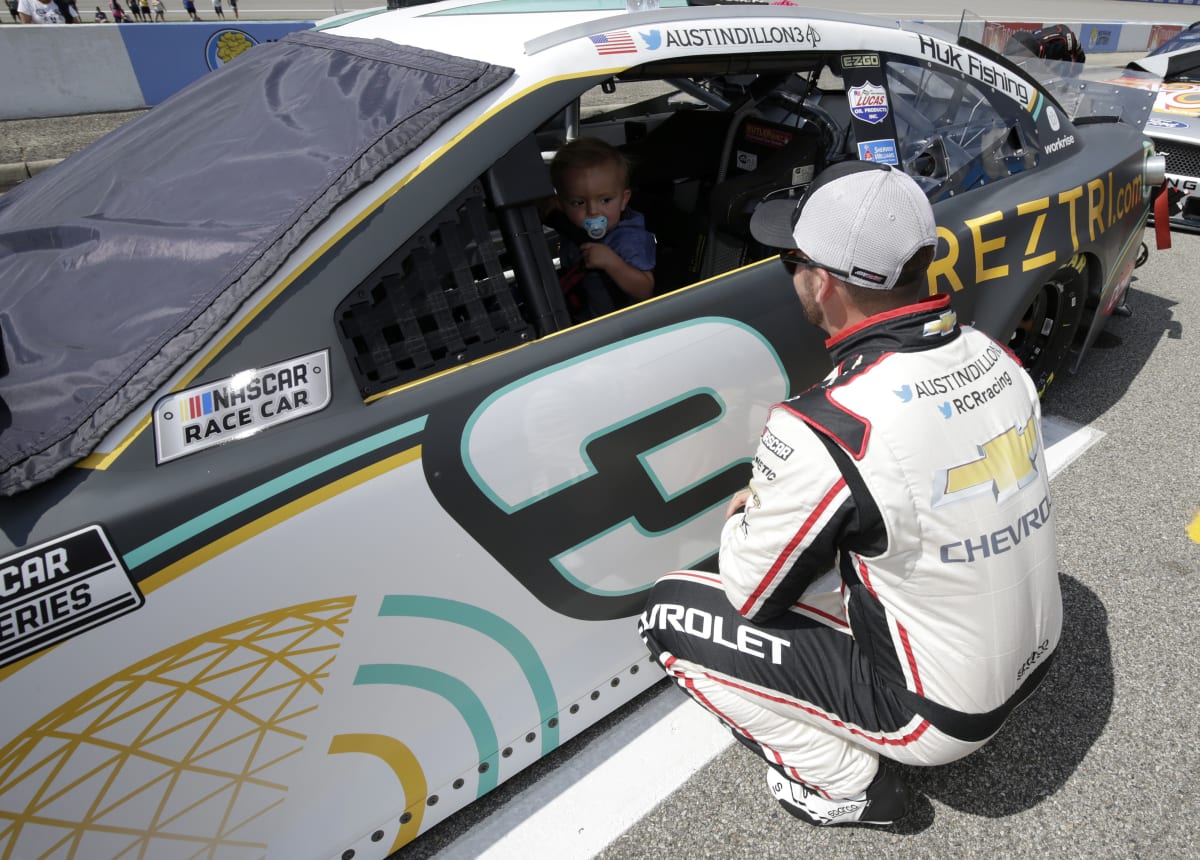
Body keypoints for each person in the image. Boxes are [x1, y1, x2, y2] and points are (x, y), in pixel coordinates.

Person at [639, 160, 1062, 827]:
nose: (791, 275)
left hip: (941, 713)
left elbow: (751, 591)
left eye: (790, 261)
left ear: (824, 283)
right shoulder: (993, 353)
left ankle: (846, 787)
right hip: (1039, 650)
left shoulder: (827, 421)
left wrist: (743, 514)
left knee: (671, 612)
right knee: (851, 536)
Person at [546, 137, 656, 322]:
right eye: (579, 202)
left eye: (605, 200)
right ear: (562, 205)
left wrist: (612, 263)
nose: (593, 211)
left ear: (623, 200)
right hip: (578, 312)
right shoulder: (570, 223)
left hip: (618, 329)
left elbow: (645, 290)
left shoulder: (628, 239)